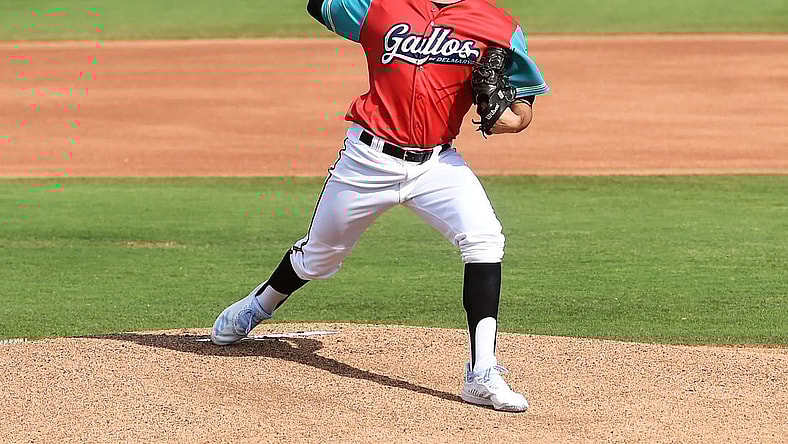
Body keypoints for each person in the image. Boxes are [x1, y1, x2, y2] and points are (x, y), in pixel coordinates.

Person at [211, 0, 549, 412]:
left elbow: (522, 108)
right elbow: (319, 5)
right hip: (367, 161)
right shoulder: (379, 6)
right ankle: (258, 305)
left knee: (484, 239)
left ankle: (482, 374)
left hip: (437, 164)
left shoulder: (497, 25)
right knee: (319, 256)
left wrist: (506, 119)